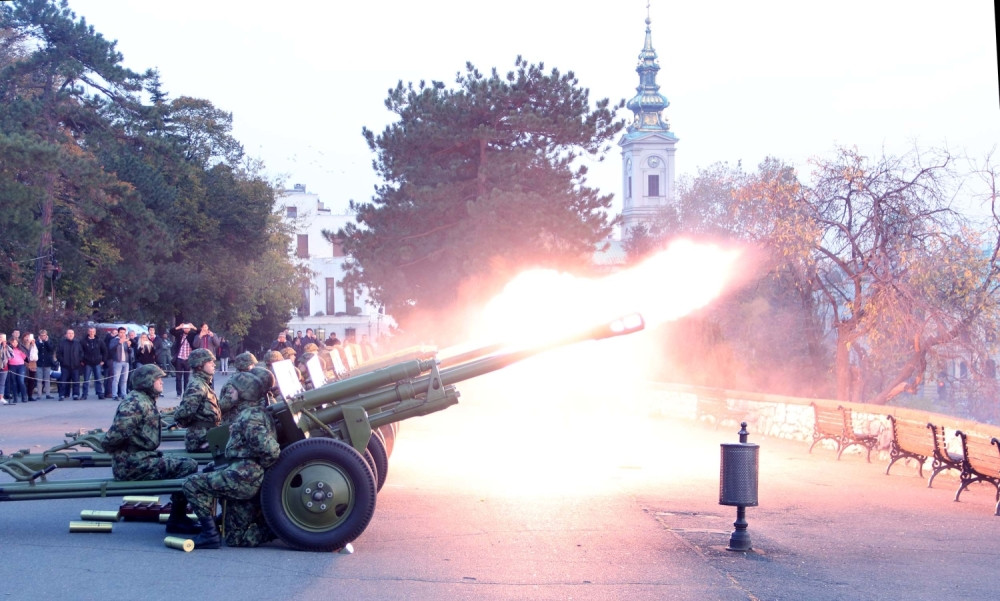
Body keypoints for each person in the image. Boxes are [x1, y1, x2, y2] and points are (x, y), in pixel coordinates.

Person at [182, 369, 279, 548]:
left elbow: (271, 451)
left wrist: (254, 469)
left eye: (234, 390)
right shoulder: (251, 412)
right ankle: (275, 528)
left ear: (244, 393)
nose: (230, 392)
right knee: (237, 538)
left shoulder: (250, 417)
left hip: (244, 478)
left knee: (192, 484)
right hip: (243, 474)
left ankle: (209, 535)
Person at [101, 363, 200, 535]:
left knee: (185, 463)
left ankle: (178, 517)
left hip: (138, 459)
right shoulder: (135, 403)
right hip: (132, 465)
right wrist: (116, 450)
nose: (162, 382)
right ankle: (177, 519)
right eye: (158, 379)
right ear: (147, 382)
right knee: (187, 466)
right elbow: (115, 435)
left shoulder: (144, 400)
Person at [173, 348, 220, 452]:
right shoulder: (197, 386)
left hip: (206, 435)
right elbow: (184, 413)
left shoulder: (203, 383)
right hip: (200, 440)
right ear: (200, 365)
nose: (214, 364)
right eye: (210, 362)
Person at [218, 352, 258, 424]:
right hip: (235, 422)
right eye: (252, 365)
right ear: (246, 366)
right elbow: (222, 406)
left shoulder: (247, 378)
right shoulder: (234, 382)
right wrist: (233, 400)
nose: (254, 367)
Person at [79, 326, 107, 400]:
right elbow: (80, 352)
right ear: (88, 332)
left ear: (95, 332)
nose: (91, 333)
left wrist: (103, 360)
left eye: (93, 331)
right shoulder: (83, 341)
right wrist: (82, 360)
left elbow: (104, 351)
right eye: (90, 331)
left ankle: (100, 393)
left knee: (98, 379)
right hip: (87, 363)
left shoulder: (99, 341)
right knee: (86, 380)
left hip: (97, 363)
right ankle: (84, 394)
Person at [56, 328, 83, 401]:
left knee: (76, 381)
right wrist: (63, 361)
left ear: (74, 335)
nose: (70, 335)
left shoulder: (77, 343)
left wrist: (79, 360)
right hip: (65, 366)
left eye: (72, 333)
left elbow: (81, 353)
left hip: (75, 366)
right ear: (66, 335)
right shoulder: (62, 343)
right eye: (69, 333)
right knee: (63, 381)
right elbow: (58, 354)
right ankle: (62, 395)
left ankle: (76, 395)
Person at [173, 323, 197, 397]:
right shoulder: (179, 334)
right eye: (185, 328)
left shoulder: (192, 335)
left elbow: (199, 332)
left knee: (187, 377)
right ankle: (178, 393)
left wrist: (193, 327)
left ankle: (186, 393)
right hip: (179, 358)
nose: (186, 329)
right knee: (178, 377)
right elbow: (172, 331)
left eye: (187, 328)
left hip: (188, 358)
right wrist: (179, 327)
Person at [107, 327, 132, 400]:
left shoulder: (126, 340)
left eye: (124, 333)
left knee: (124, 379)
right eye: (121, 332)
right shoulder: (114, 340)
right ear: (118, 333)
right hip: (117, 361)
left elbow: (130, 352)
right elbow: (111, 349)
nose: (122, 334)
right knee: (116, 379)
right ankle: (114, 395)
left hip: (126, 362)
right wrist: (119, 343)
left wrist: (129, 346)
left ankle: (124, 394)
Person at [6, 335, 28, 403]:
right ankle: (15, 397)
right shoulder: (9, 349)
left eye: (16, 342)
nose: (14, 344)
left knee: (21, 381)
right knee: (14, 382)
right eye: (13, 342)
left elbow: (25, 357)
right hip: (12, 366)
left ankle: (24, 396)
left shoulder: (20, 349)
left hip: (20, 366)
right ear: (11, 343)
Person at [35, 330, 55, 399]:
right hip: (39, 363)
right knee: (39, 380)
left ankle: (48, 394)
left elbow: (51, 349)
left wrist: (46, 342)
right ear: (39, 336)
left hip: (47, 363)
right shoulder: (37, 342)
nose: (43, 337)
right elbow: (37, 349)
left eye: (44, 335)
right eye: (41, 335)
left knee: (47, 379)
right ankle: (39, 395)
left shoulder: (49, 341)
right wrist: (40, 342)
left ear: (46, 335)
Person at [21, 332, 39, 401]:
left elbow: (35, 354)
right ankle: (24, 395)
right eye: (26, 337)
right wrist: (27, 344)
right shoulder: (21, 345)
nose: (27, 338)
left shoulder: (33, 345)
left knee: (31, 380)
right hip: (24, 363)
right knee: (24, 380)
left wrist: (33, 344)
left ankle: (30, 395)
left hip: (32, 363)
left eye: (29, 337)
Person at [0, 334, 9, 405]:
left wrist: (5, 347)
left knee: (2, 383)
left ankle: (1, 398)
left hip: (4, 367)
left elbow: (11, 355)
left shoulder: (6, 346)